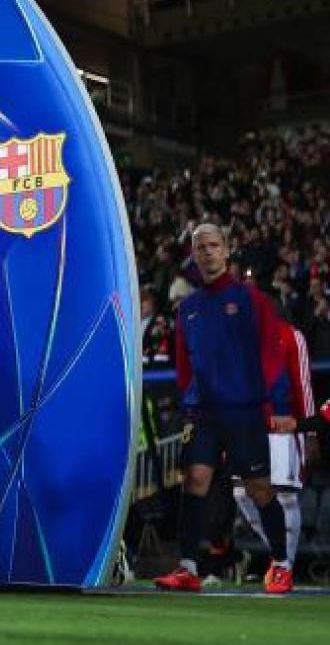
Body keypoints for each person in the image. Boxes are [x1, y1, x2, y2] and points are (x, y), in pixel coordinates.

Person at [155, 223, 298, 595]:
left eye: (214, 245)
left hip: (244, 411)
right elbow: (183, 365)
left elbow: (273, 353)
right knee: (195, 480)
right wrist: (190, 399)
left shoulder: (252, 300)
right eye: (200, 247)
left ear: (227, 250)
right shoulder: (187, 309)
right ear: (194, 255)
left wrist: (279, 404)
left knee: (259, 490)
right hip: (203, 413)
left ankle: (281, 564)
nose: (207, 252)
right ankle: (188, 567)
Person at [232, 320, 312, 579]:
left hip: (282, 424)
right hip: (248, 426)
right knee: (242, 494)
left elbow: (302, 382)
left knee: (286, 497)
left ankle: (283, 567)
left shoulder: (290, 335)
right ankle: (279, 556)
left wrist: (308, 429)